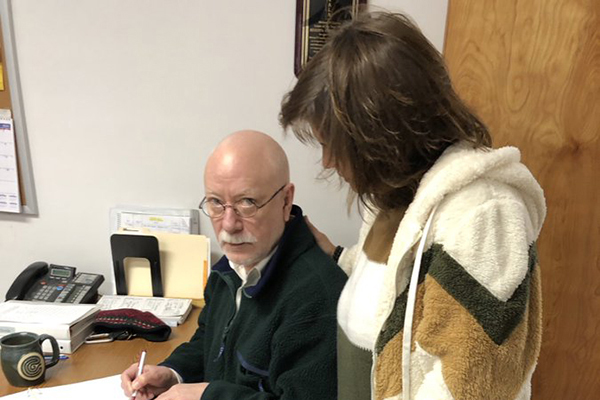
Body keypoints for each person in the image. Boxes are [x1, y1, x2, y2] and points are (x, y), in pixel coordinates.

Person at [280, 11, 546, 400]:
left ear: (379, 137)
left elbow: (474, 385)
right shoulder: (397, 198)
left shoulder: (483, 214)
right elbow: (399, 287)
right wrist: (338, 256)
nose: (327, 162)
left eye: (330, 145)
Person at [120, 130, 347, 400]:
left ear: (286, 201)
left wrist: (207, 396)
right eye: (216, 203)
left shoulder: (318, 298)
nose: (229, 225)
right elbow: (210, 342)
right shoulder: (229, 268)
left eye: (247, 202)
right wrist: (174, 373)